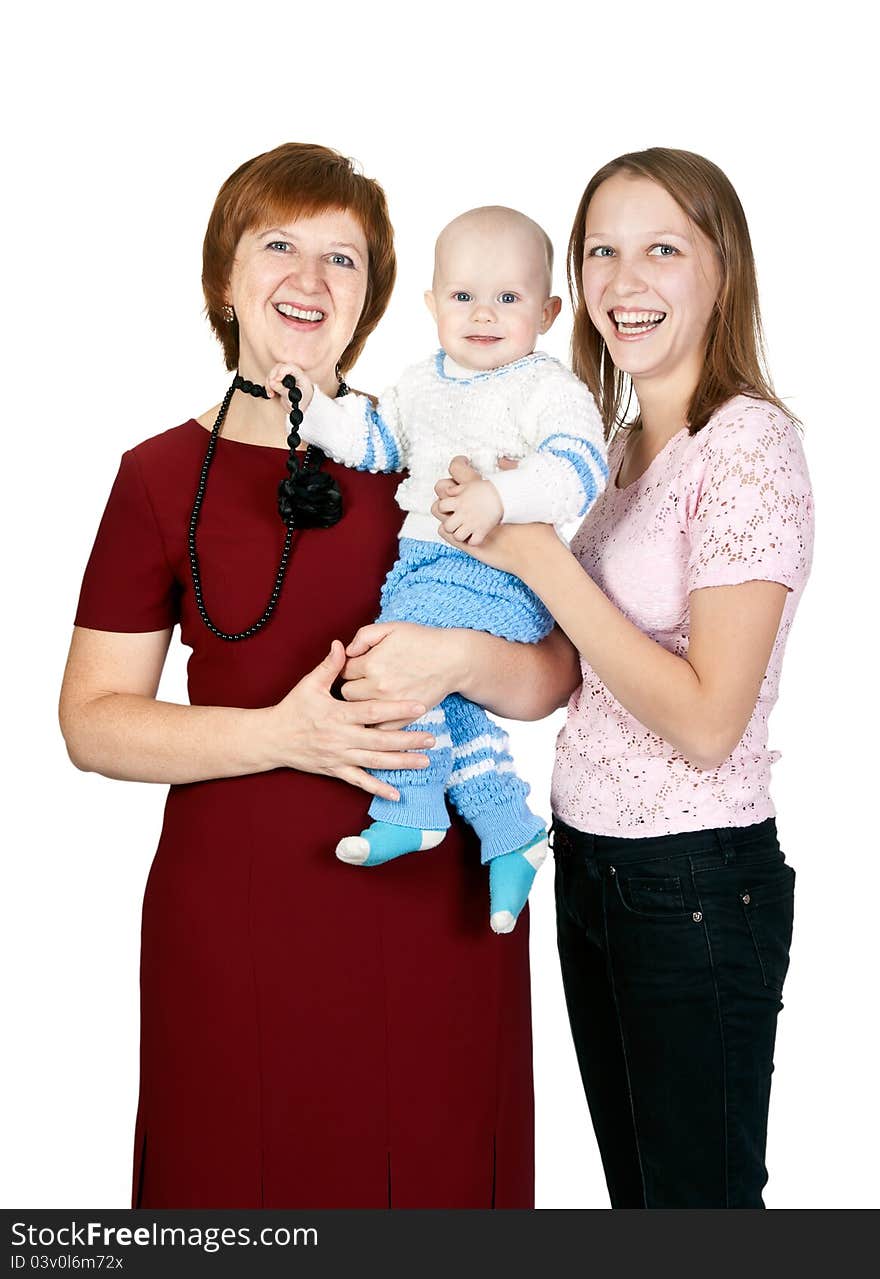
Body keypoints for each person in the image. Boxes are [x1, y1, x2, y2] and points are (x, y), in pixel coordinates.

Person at [58, 142, 579, 1209]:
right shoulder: (154, 476)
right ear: (224, 278)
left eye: (342, 259)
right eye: (279, 246)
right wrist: (284, 736)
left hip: (438, 904)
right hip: (238, 917)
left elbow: (552, 677)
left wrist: (467, 657)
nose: (309, 278)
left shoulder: (437, 460)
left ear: (375, 299)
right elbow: (93, 723)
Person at [433, 148, 814, 1208]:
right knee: (641, 1211)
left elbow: (705, 721)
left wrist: (537, 552)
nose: (622, 279)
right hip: (594, 873)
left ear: (720, 271)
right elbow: (575, 674)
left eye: (661, 248)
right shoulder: (613, 451)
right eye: (601, 249)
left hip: (690, 886)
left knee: (695, 1213)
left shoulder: (745, 447)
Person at [265, 205, 606, 934]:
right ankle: (510, 832)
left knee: (390, 663)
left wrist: (499, 496)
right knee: (441, 694)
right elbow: (379, 439)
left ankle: (412, 803)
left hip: (495, 575)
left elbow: (580, 467)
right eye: (462, 297)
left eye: (508, 299)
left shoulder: (544, 388)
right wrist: (311, 407)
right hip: (426, 567)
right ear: (432, 305)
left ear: (546, 311)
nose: (483, 314)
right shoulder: (421, 384)